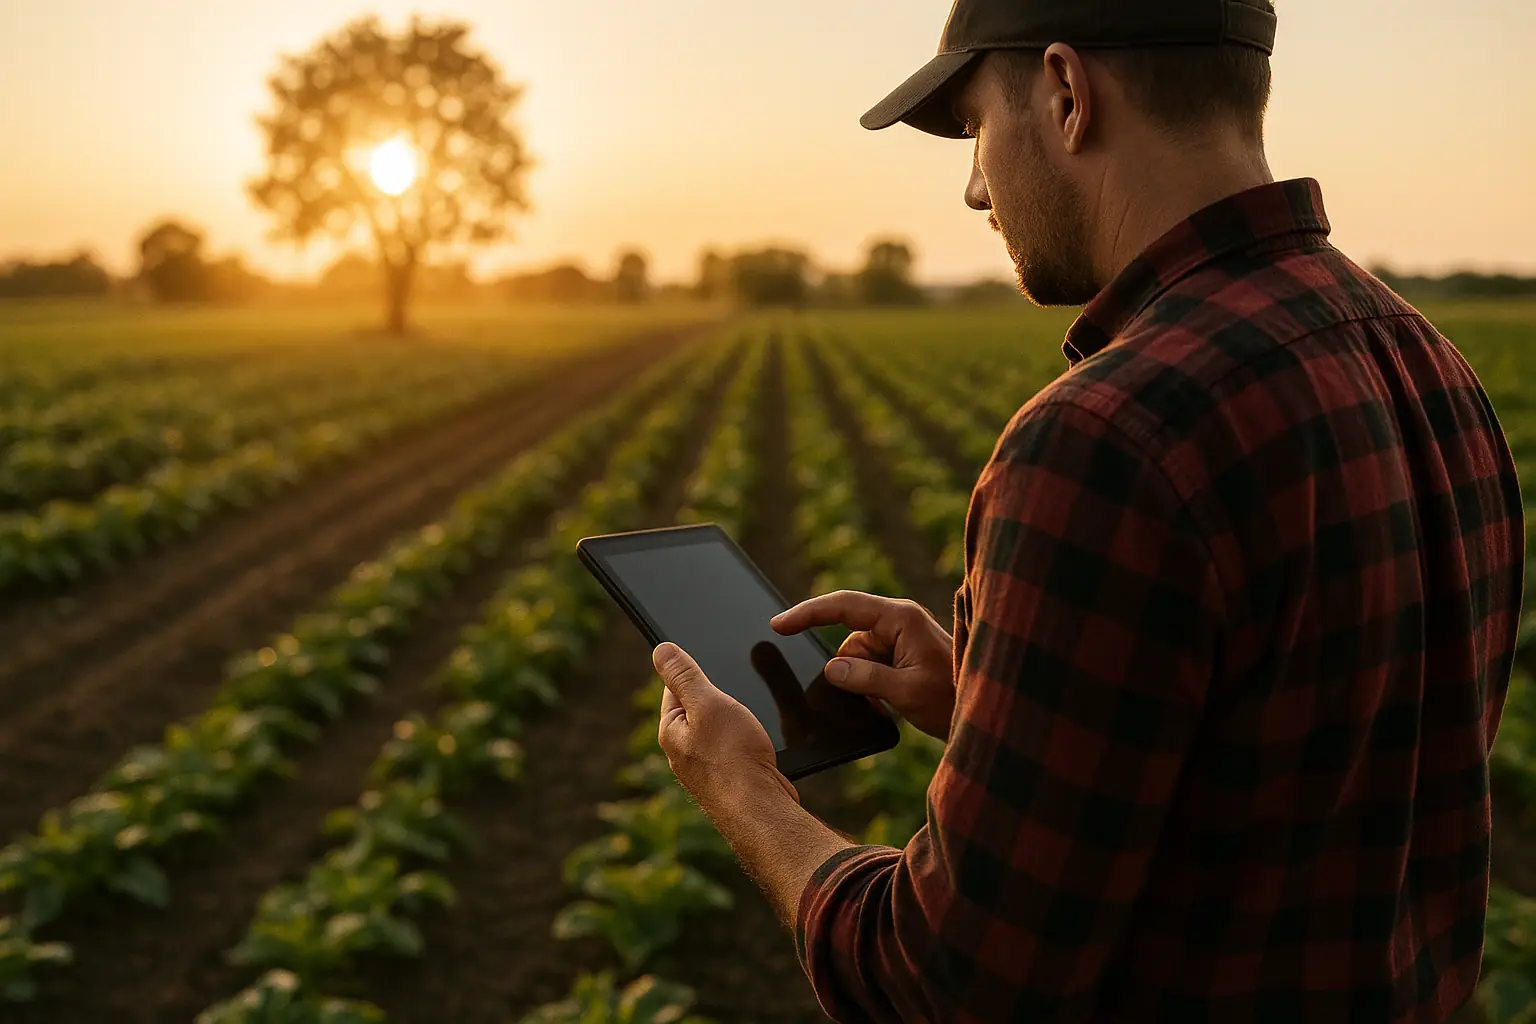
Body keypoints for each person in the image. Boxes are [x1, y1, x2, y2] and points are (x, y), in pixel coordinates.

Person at [651, 0, 1525, 1019]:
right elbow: (1300, 769)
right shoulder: (1430, 365)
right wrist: (989, 700)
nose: (976, 186)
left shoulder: (1109, 435)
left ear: (1067, 93)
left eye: (977, 128)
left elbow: (945, 984)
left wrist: (746, 794)